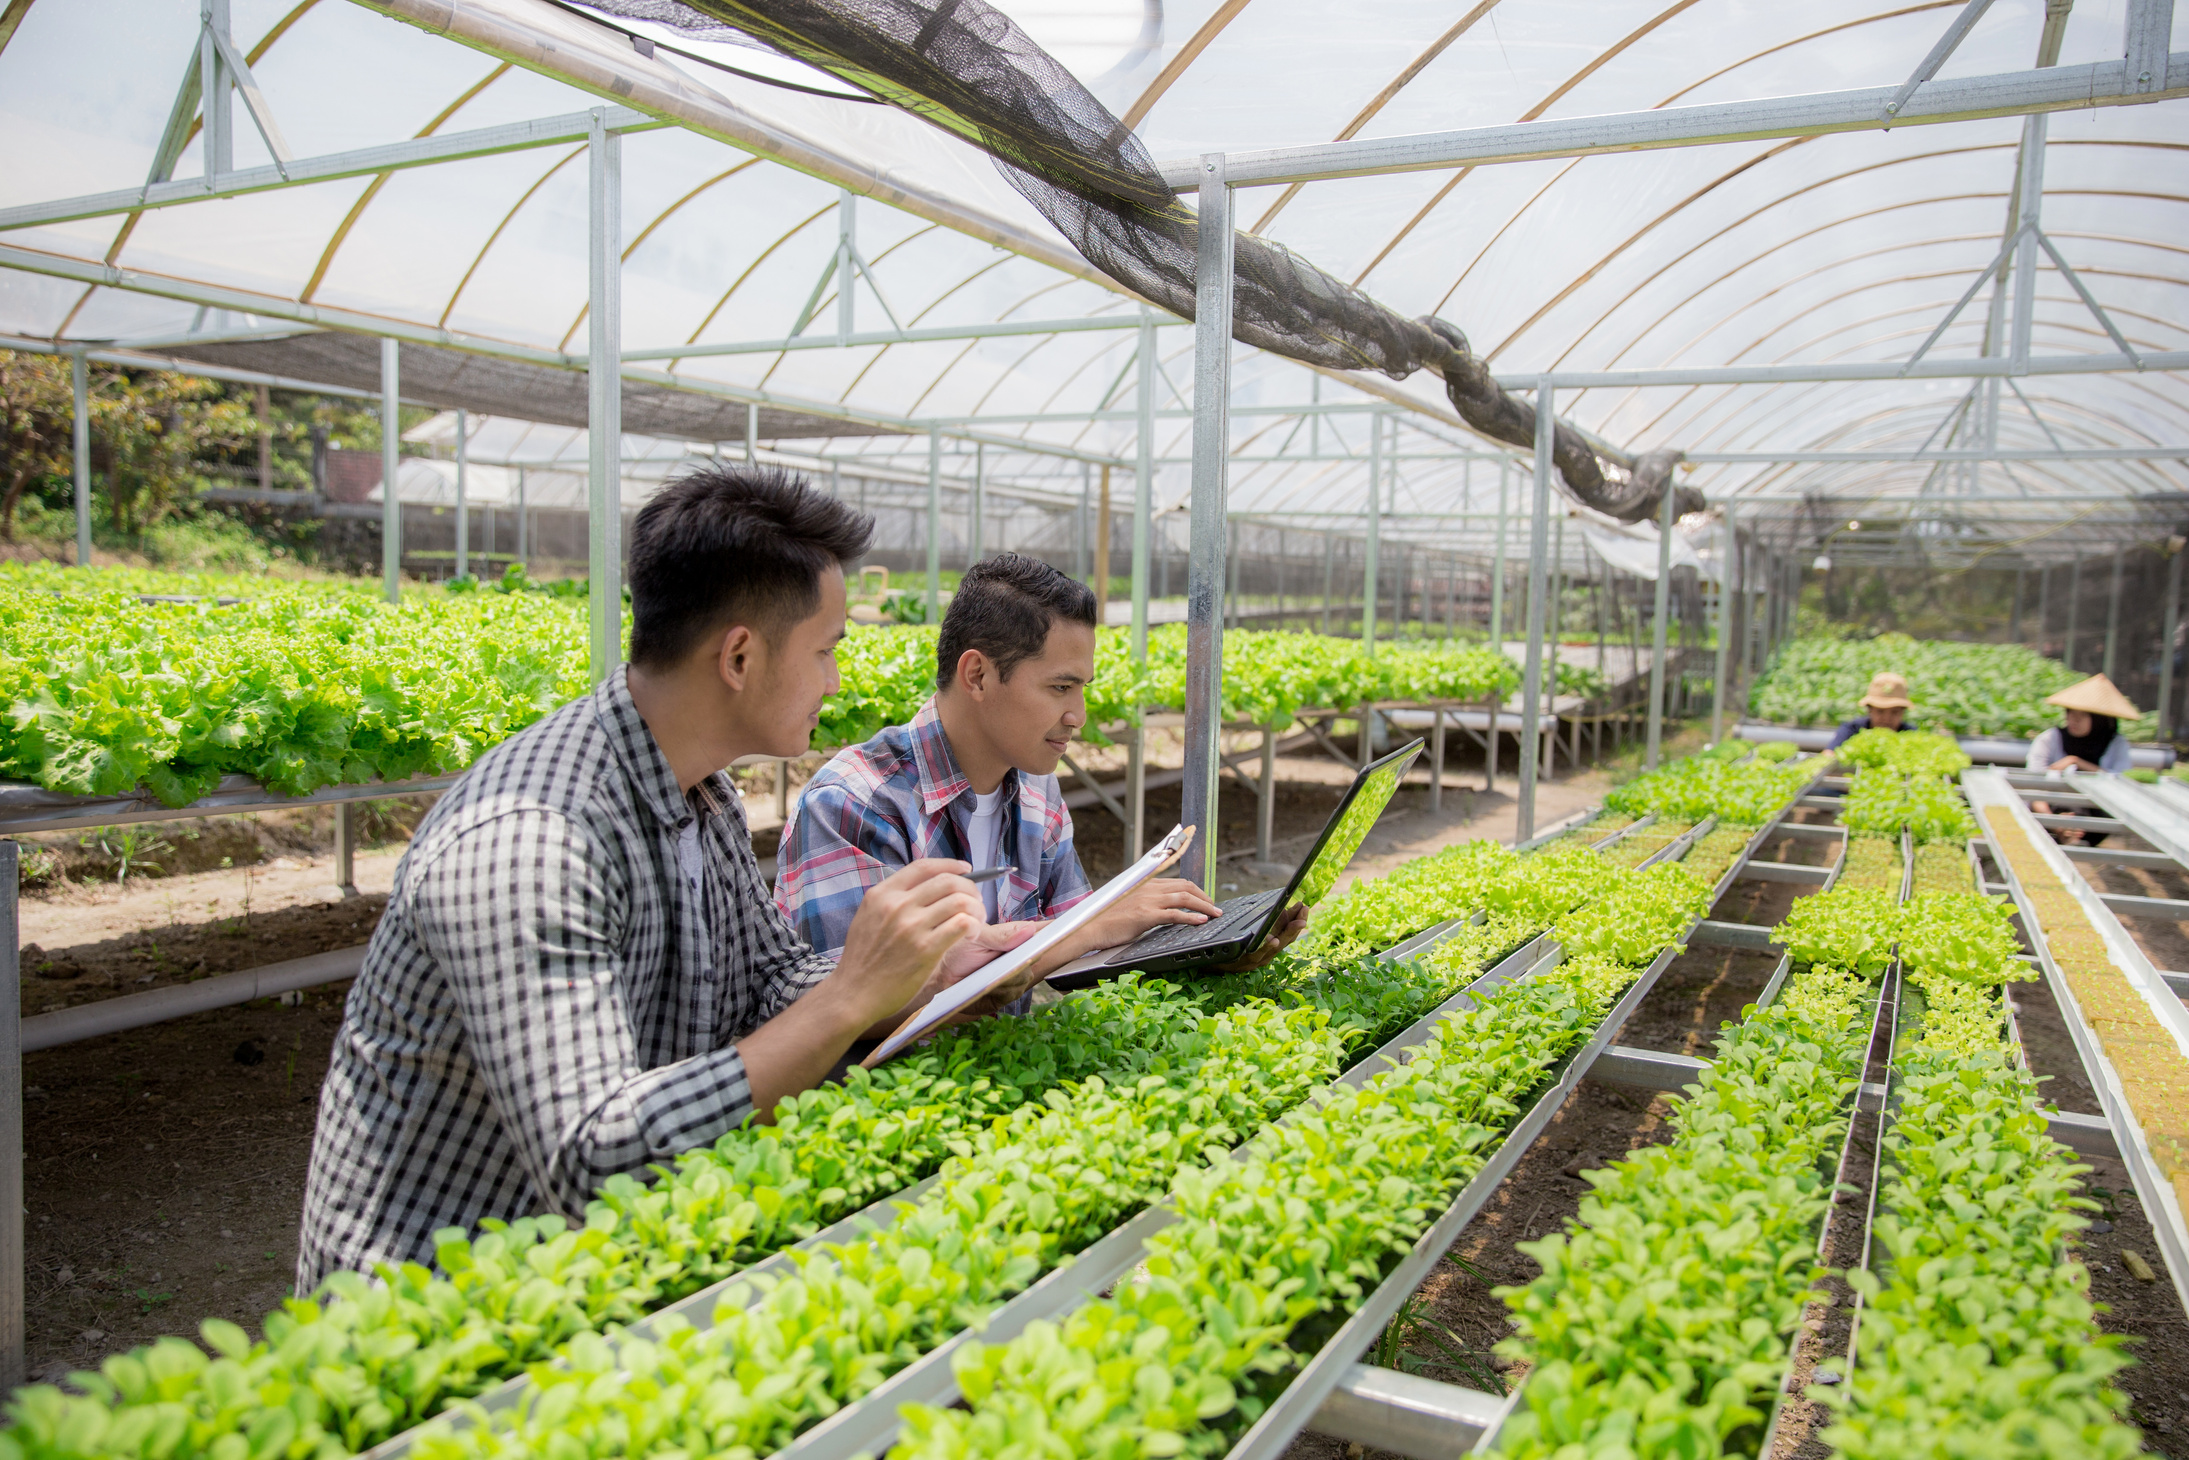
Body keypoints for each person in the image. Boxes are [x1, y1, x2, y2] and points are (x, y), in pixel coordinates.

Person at [296, 468, 1014, 1291]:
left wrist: (930, 977)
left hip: (587, 1266)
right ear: (740, 656)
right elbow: (595, 1161)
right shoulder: (530, 841)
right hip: (432, 1313)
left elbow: (765, 979)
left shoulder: (700, 787)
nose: (836, 681)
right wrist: (850, 994)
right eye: (825, 651)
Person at [777, 553, 1306, 990]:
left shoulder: (1036, 790)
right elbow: (853, 1008)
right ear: (978, 674)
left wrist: (1206, 954)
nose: (1077, 716)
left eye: (1082, 689)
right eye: (1059, 688)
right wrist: (1086, 925)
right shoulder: (851, 804)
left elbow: (1077, 962)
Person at [2028, 674, 2140, 845]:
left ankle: (2075, 833)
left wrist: (2077, 762)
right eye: (2071, 713)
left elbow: (2120, 783)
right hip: (2051, 810)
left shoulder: (2115, 744)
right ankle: (2066, 832)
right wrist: (2054, 823)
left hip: (2095, 813)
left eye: (2083, 715)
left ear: (2098, 719)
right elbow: (2034, 787)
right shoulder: (2049, 739)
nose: (2074, 720)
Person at [1826, 671, 1914, 748]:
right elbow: (1829, 755)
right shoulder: (1852, 730)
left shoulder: (1910, 734)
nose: (1887, 718)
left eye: (1894, 712)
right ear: (1870, 710)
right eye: (1880, 711)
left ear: (1903, 712)